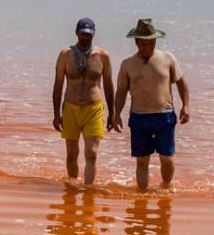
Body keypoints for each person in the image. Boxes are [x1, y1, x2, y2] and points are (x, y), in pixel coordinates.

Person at [113, 18, 191, 190]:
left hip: (164, 116)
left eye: (150, 43)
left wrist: (185, 106)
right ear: (136, 42)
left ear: (155, 41)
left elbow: (181, 83)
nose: (146, 48)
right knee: (142, 161)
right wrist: (116, 114)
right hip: (139, 118)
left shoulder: (168, 58)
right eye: (142, 44)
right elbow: (121, 91)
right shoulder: (127, 64)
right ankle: (142, 196)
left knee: (167, 158)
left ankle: (166, 187)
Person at [51, 16, 118, 187]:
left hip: (94, 108)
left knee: (92, 153)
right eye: (82, 34)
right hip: (71, 108)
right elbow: (58, 84)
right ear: (76, 33)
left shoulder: (103, 56)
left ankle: (88, 190)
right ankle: (72, 188)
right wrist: (56, 114)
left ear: (93, 35)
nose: (85, 37)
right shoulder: (65, 55)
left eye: (88, 34)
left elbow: (109, 86)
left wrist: (113, 114)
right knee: (72, 153)